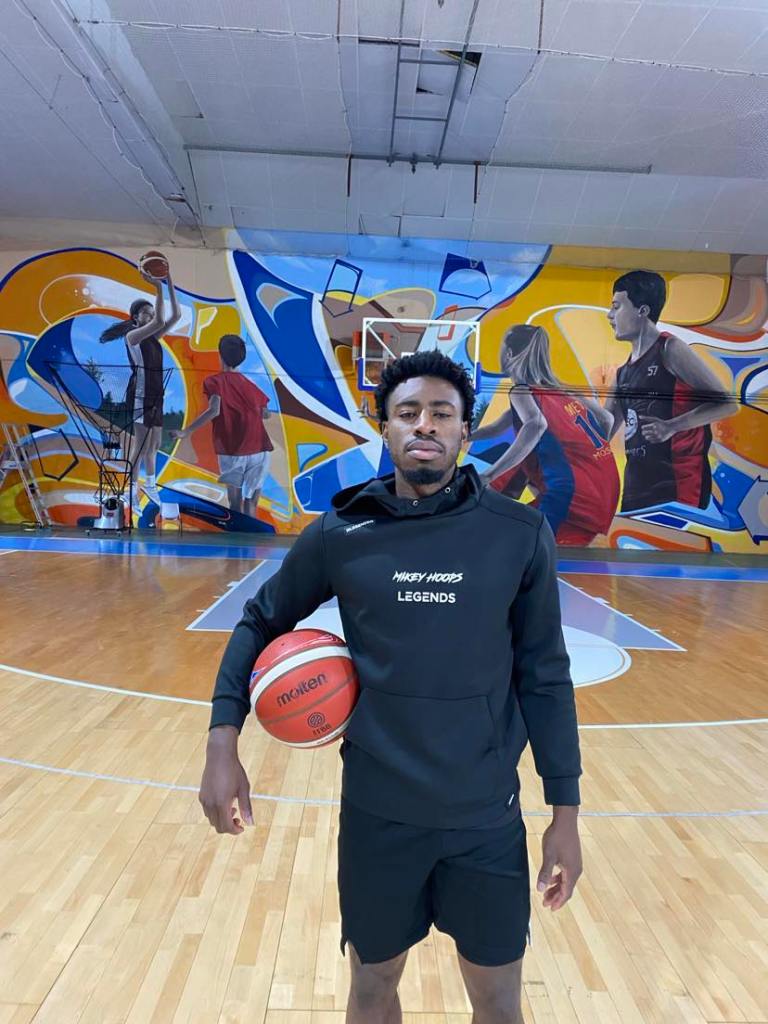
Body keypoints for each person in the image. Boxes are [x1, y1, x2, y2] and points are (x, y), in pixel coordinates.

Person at [199, 350, 582, 1024]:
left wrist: (566, 814)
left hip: (485, 816)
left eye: (441, 413)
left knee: (499, 1001)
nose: (424, 424)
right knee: (372, 987)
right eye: (408, 412)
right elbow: (259, 620)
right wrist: (221, 742)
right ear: (387, 429)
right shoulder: (344, 533)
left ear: (464, 431)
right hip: (378, 815)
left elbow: (545, 674)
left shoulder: (518, 534)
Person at [472, 324, 619, 546]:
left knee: (502, 543)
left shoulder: (521, 391)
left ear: (509, 354)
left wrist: (488, 475)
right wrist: (465, 436)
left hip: (571, 497)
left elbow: (535, 425)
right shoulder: (560, 389)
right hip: (605, 492)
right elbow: (606, 418)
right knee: (539, 550)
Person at [605, 270, 738, 513]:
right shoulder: (622, 372)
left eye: (616, 307)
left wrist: (671, 426)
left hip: (679, 485)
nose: (609, 315)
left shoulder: (670, 349)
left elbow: (727, 403)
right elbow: (602, 430)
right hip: (636, 485)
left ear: (642, 310)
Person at [99, 269, 181, 504]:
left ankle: (150, 485)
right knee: (140, 445)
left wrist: (168, 279)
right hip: (141, 395)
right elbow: (161, 321)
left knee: (154, 445)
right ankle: (131, 490)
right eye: (146, 313)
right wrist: (157, 287)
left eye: (152, 313)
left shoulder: (154, 338)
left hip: (156, 395)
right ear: (136, 318)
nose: (151, 316)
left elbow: (175, 315)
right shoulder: (133, 337)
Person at [171, 334, 273, 517]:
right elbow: (266, 413)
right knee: (251, 503)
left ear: (220, 355)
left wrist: (186, 432)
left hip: (233, 451)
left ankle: (237, 535)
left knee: (235, 503)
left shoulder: (214, 382)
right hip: (260, 449)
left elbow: (214, 410)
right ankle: (251, 535)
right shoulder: (250, 385)